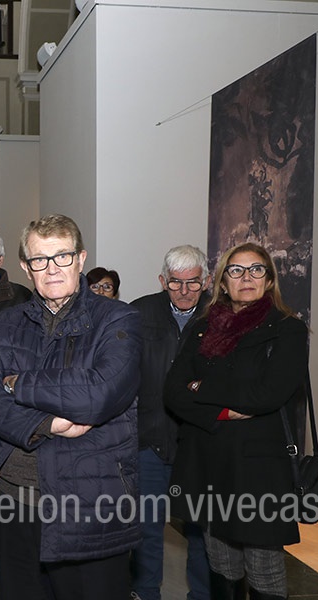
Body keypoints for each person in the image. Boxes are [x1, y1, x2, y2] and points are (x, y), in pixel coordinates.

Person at [0, 214, 142, 600]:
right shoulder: (6, 323)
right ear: (26, 267)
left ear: (81, 259)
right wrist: (47, 423)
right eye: (40, 259)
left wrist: (16, 384)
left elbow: (97, 395)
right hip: (14, 505)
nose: (52, 268)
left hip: (88, 506)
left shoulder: (118, 319)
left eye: (62, 256)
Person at [165, 242, 308, 600]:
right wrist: (224, 410)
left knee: (264, 568)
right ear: (223, 282)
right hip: (207, 460)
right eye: (236, 270)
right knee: (221, 563)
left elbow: (267, 395)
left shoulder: (287, 329)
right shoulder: (203, 328)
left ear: (269, 280)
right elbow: (174, 392)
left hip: (258, 470)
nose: (246, 277)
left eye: (256, 269)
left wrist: (201, 386)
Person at [129, 245, 212, 600]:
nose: (184, 291)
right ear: (163, 281)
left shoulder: (219, 316)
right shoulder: (139, 312)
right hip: (148, 440)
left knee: (200, 530)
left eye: (192, 283)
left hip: (199, 445)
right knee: (146, 529)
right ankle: (145, 593)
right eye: (176, 282)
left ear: (206, 281)